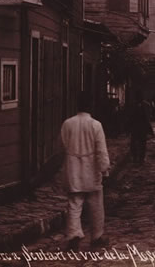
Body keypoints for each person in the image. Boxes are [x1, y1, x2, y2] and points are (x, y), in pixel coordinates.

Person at [60, 92, 111, 250]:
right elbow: (101, 150)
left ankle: (74, 234)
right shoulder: (95, 125)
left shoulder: (67, 124)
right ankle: (96, 236)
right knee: (96, 205)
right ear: (90, 105)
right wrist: (105, 169)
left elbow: (62, 145)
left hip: (73, 169)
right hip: (91, 170)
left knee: (74, 204)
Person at [128, 92, 153, 164]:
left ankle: (141, 158)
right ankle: (135, 158)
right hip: (136, 127)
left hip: (141, 127)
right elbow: (130, 117)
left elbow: (148, 117)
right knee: (135, 143)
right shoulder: (133, 105)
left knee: (142, 143)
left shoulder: (146, 105)